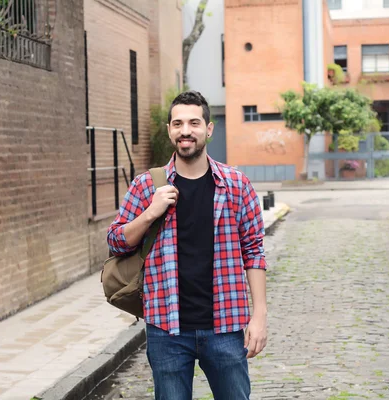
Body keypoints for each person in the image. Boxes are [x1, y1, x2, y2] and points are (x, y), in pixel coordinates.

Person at [107, 91, 268, 399]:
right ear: (170, 130)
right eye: (178, 123)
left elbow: (254, 251)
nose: (185, 130)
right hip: (166, 328)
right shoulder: (146, 187)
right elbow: (116, 242)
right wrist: (150, 212)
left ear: (208, 129)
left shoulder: (236, 185)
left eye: (194, 122)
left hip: (225, 325)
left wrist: (258, 316)